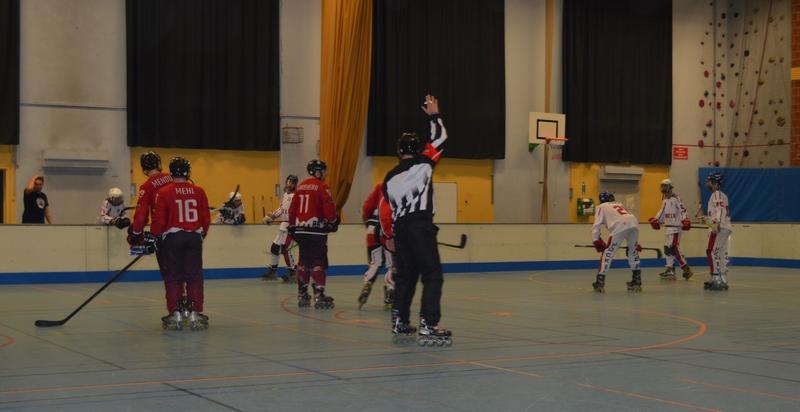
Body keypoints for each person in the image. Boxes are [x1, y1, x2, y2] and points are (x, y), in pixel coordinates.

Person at [382, 94, 451, 346]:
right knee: (432, 274)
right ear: (417, 148)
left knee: (406, 277)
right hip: (420, 225)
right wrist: (434, 115)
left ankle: (399, 321)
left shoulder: (388, 178)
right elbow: (440, 139)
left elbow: (386, 210)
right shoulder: (424, 163)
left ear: (399, 151)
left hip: (400, 229)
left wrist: (388, 236)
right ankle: (428, 324)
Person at [151, 157, 211, 330]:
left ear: (171, 173)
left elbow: (159, 219)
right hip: (193, 238)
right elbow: (205, 218)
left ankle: (174, 312)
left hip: (172, 238)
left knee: (173, 277)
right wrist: (201, 235)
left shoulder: (163, 192)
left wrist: (155, 236)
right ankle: (196, 311)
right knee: (194, 276)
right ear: (188, 172)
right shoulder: (199, 191)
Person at [287, 160, 338, 309]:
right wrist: (333, 221)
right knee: (318, 261)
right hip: (316, 230)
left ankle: (302, 294)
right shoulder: (322, 187)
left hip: (300, 230)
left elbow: (292, 209)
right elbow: (328, 206)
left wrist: (291, 225)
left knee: (303, 261)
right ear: (318, 172)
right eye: (323, 171)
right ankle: (319, 294)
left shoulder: (300, 186)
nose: (325, 174)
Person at [127, 152, 173, 288]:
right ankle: (190, 304)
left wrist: (135, 235)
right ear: (159, 164)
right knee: (187, 273)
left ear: (143, 169)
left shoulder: (146, 187)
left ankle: (176, 306)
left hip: (163, 233)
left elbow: (141, 216)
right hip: (186, 232)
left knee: (170, 275)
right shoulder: (174, 177)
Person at [590, 192, 642, 293]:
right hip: (633, 222)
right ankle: (637, 280)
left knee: (608, 253)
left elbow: (596, 225)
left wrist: (596, 239)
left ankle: (600, 281)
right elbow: (625, 218)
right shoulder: (619, 204)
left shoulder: (601, 207)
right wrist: (635, 244)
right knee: (633, 251)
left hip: (619, 226)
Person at [357, 183, 396, 310]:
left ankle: (368, 283)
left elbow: (367, 206)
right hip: (388, 229)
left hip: (372, 227)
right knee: (392, 265)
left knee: (375, 263)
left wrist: (367, 221)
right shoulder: (404, 186)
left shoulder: (381, 186)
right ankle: (390, 293)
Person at [648, 179, 693, 280]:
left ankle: (686, 269)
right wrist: (656, 220)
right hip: (668, 228)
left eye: (665, 186)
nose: (663, 188)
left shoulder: (676, 199)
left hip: (676, 228)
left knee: (674, 248)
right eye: (662, 186)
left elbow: (683, 210)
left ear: (669, 187)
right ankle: (670, 269)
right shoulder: (664, 201)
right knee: (667, 249)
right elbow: (661, 213)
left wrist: (685, 219)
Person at [261, 175, 298, 283]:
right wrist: (272, 216)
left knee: (285, 249)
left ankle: (292, 273)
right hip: (283, 226)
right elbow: (282, 209)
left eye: (292, 182)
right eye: (289, 182)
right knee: (274, 248)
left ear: (295, 184)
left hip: (291, 227)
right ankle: (273, 271)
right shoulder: (286, 194)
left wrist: (294, 224)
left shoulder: (297, 196)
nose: (290, 184)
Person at [703, 172, 732, 291]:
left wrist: (717, 223)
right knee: (720, 252)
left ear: (714, 183)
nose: (707, 183)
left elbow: (720, 209)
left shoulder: (716, 194)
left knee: (713, 252)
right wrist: (708, 219)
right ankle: (723, 278)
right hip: (725, 227)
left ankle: (717, 279)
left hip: (720, 227)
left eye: (708, 181)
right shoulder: (723, 195)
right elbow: (726, 211)